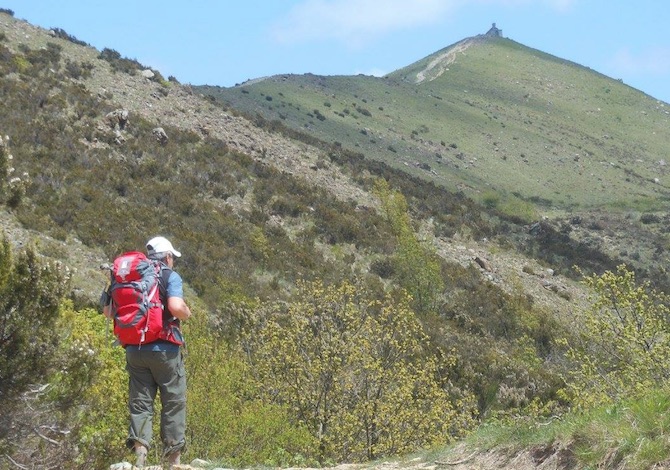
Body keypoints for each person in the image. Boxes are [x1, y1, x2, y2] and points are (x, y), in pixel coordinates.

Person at [103, 236, 192, 468]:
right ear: (168, 257)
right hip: (164, 349)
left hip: (134, 349)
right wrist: (187, 313)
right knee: (173, 401)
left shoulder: (131, 277)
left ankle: (140, 460)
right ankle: (173, 461)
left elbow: (108, 312)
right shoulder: (169, 275)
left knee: (141, 403)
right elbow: (175, 307)